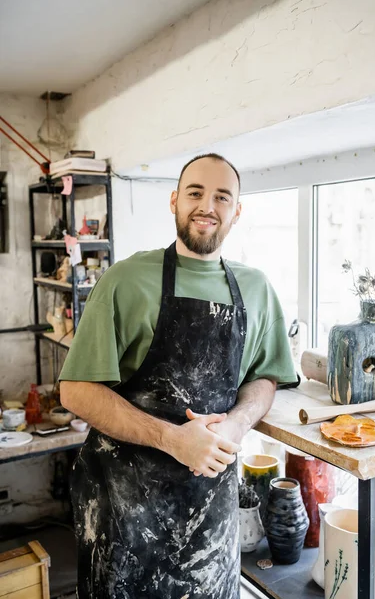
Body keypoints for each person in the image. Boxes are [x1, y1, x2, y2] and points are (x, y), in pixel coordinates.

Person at [59, 153, 297, 599]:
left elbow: (266, 378)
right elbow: (76, 391)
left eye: (222, 196)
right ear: (174, 201)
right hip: (125, 511)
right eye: (195, 193)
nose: (207, 205)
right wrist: (173, 439)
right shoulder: (126, 280)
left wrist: (236, 423)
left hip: (211, 514)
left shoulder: (257, 289)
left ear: (237, 211)